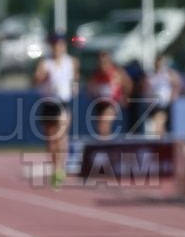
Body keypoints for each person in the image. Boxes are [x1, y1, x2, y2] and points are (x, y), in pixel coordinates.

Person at [33, 33, 78, 188]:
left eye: (60, 44)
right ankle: (55, 167)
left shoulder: (71, 62)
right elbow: (35, 80)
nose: (57, 48)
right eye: (54, 44)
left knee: (62, 137)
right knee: (51, 141)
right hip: (48, 103)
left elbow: (75, 78)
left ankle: (60, 168)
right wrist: (42, 78)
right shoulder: (45, 63)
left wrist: (74, 87)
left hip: (63, 103)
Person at [87, 50, 132, 138]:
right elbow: (90, 88)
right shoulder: (96, 74)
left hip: (112, 103)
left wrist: (125, 96)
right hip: (100, 103)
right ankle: (106, 145)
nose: (103, 65)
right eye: (100, 62)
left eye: (105, 62)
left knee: (103, 125)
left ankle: (106, 146)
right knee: (101, 129)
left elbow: (128, 83)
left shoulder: (116, 73)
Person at [144, 55, 182, 136]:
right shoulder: (152, 75)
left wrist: (173, 95)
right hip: (155, 104)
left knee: (161, 125)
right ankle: (160, 143)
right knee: (158, 126)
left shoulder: (169, 74)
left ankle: (161, 143)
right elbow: (148, 88)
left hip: (165, 103)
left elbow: (177, 84)